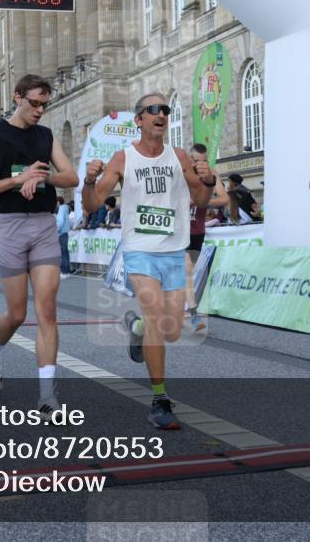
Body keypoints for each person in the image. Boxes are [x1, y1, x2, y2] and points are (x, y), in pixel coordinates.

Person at [82, 92, 215, 430]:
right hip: (139, 250)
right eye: (153, 110)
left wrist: (208, 182)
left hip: (174, 250)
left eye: (165, 110)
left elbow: (200, 199)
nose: (162, 114)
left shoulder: (179, 156)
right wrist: (88, 181)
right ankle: (159, 400)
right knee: (157, 318)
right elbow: (91, 205)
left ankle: (136, 328)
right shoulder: (123, 159)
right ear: (138, 120)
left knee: (169, 329)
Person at [0, 74, 79, 419]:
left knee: (47, 309)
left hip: (43, 224)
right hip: (8, 226)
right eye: (34, 103)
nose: (40, 110)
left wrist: (42, 176)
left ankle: (47, 396)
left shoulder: (45, 136)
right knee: (17, 313)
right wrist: (18, 179)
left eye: (45, 104)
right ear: (17, 98)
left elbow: (72, 178)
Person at [186, 143, 229, 331]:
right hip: (179, 231)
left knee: (187, 274)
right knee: (186, 271)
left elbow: (224, 199)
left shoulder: (211, 174)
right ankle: (194, 316)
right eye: (197, 161)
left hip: (197, 232)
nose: (200, 165)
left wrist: (202, 201)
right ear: (190, 159)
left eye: (204, 161)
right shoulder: (183, 173)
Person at [55, 197, 72, 279]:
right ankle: (67, 271)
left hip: (61, 233)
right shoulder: (65, 209)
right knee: (65, 253)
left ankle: (64, 271)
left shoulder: (61, 209)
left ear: (58, 202)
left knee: (63, 253)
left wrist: (56, 229)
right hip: (65, 232)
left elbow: (60, 221)